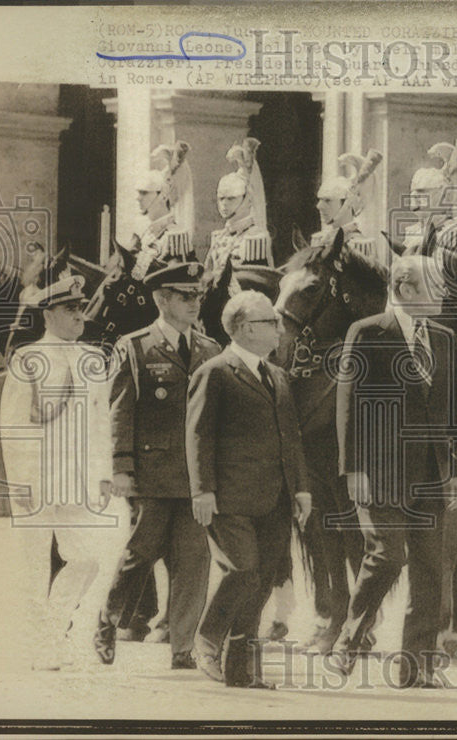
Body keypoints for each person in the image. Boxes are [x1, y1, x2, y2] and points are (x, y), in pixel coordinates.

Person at [264, 149, 383, 650]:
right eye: (318, 201)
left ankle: (356, 618)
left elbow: (379, 293)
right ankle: (327, 611)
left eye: (330, 201)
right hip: (317, 355)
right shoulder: (315, 245)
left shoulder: (367, 240)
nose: (321, 208)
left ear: (349, 201)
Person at [332, 254, 457, 688]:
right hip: (379, 471)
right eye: (435, 287)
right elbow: (348, 404)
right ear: (406, 290)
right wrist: (352, 467)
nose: (444, 294)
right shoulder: (367, 332)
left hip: (432, 473)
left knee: (432, 567)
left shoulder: (446, 338)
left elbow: (455, 410)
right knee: (388, 556)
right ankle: (349, 641)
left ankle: (416, 665)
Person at [94, 260, 221, 669]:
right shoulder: (134, 347)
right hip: (151, 476)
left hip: (196, 477)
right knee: (139, 555)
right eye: (186, 296)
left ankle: (182, 647)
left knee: (193, 562)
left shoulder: (210, 349)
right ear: (161, 299)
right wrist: (120, 467)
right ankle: (108, 620)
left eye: (198, 296)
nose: (194, 303)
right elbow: (120, 411)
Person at [0, 262, 126, 670]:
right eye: (70, 310)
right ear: (49, 313)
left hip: (77, 479)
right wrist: (21, 481)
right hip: (36, 479)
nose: (79, 317)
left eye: (82, 308)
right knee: (34, 566)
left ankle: (54, 628)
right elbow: (14, 426)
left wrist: (103, 473)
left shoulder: (94, 360)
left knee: (87, 558)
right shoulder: (28, 359)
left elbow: (101, 421)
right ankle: (41, 646)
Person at [187, 290, 312, 689]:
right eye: (270, 322)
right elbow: (198, 435)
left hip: (275, 498)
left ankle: (241, 668)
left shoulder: (277, 375)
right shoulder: (216, 372)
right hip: (229, 497)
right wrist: (202, 490)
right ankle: (206, 640)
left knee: (261, 579)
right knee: (242, 570)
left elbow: (289, 437)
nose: (279, 328)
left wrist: (302, 489)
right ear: (243, 329)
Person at [204, 138, 274, 273]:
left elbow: (253, 281)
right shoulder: (219, 236)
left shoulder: (256, 238)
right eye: (221, 198)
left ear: (247, 199)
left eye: (231, 199)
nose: (224, 204)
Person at [128, 141, 196, 279]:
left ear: (163, 195)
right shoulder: (146, 233)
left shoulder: (174, 238)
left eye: (144, 192)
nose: (138, 198)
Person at [402, 138, 457, 253]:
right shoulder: (412, 232)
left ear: (444, 196)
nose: (414, 196)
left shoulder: (454, 234)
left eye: (422, 191)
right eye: (413, 191)